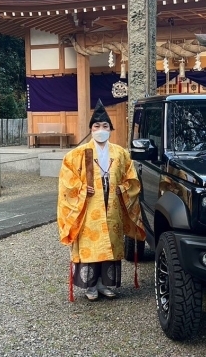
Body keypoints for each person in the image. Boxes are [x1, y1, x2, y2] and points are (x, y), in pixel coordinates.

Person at [57, 99, 145, 301]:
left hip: (113, 203)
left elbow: (131, 179)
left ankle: (106, 284)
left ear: (110, 129)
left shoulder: (121, 153)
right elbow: (67, 182)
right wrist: (81, 189)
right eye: (97, 126)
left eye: (105, 126)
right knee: (91, 244)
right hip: (88, 206)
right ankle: (90, 287)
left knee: (111, 244)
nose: (101, 130)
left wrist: (122, 188)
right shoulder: (76, 154)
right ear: (91, 129)